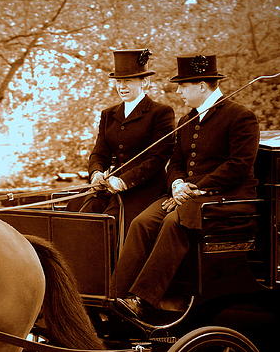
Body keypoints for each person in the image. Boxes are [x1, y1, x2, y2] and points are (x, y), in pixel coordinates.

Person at [114, 54, 260, 321]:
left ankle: (143, 300)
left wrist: (196, 187)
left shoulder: (241, 117)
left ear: (202, 86)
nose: (179, 92)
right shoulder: (187, 121)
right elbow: (176, 163)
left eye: (183, 86)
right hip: (185, 195)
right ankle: (118, 297)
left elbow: (239, 165)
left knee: (175, 222)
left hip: (227, 199)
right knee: (142, 221)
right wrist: (178, 183)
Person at [76, 49, 175, 234]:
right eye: (119, 81)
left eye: (128, 81)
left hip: (145, 188)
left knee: (114, 222)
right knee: (82, 214)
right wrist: (96, 172)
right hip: (110, 186)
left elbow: (158, 157)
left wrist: (124, 181)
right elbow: (99, 152)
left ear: (144, 82)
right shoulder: (109, 114)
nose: (122, 86)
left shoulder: (160, 112)